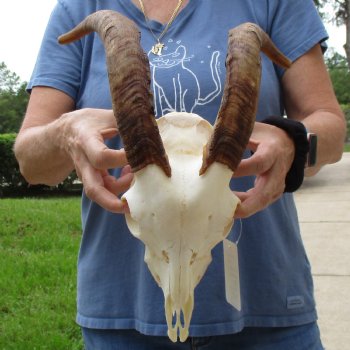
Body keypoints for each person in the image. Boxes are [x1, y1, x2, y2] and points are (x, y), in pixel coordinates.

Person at [15, 0, 346, 349]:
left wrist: (294, 144)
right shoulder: (79, 6)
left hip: (267, 310)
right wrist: (64, 132)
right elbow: (30, 161)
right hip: (124, 317)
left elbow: (331, 130)